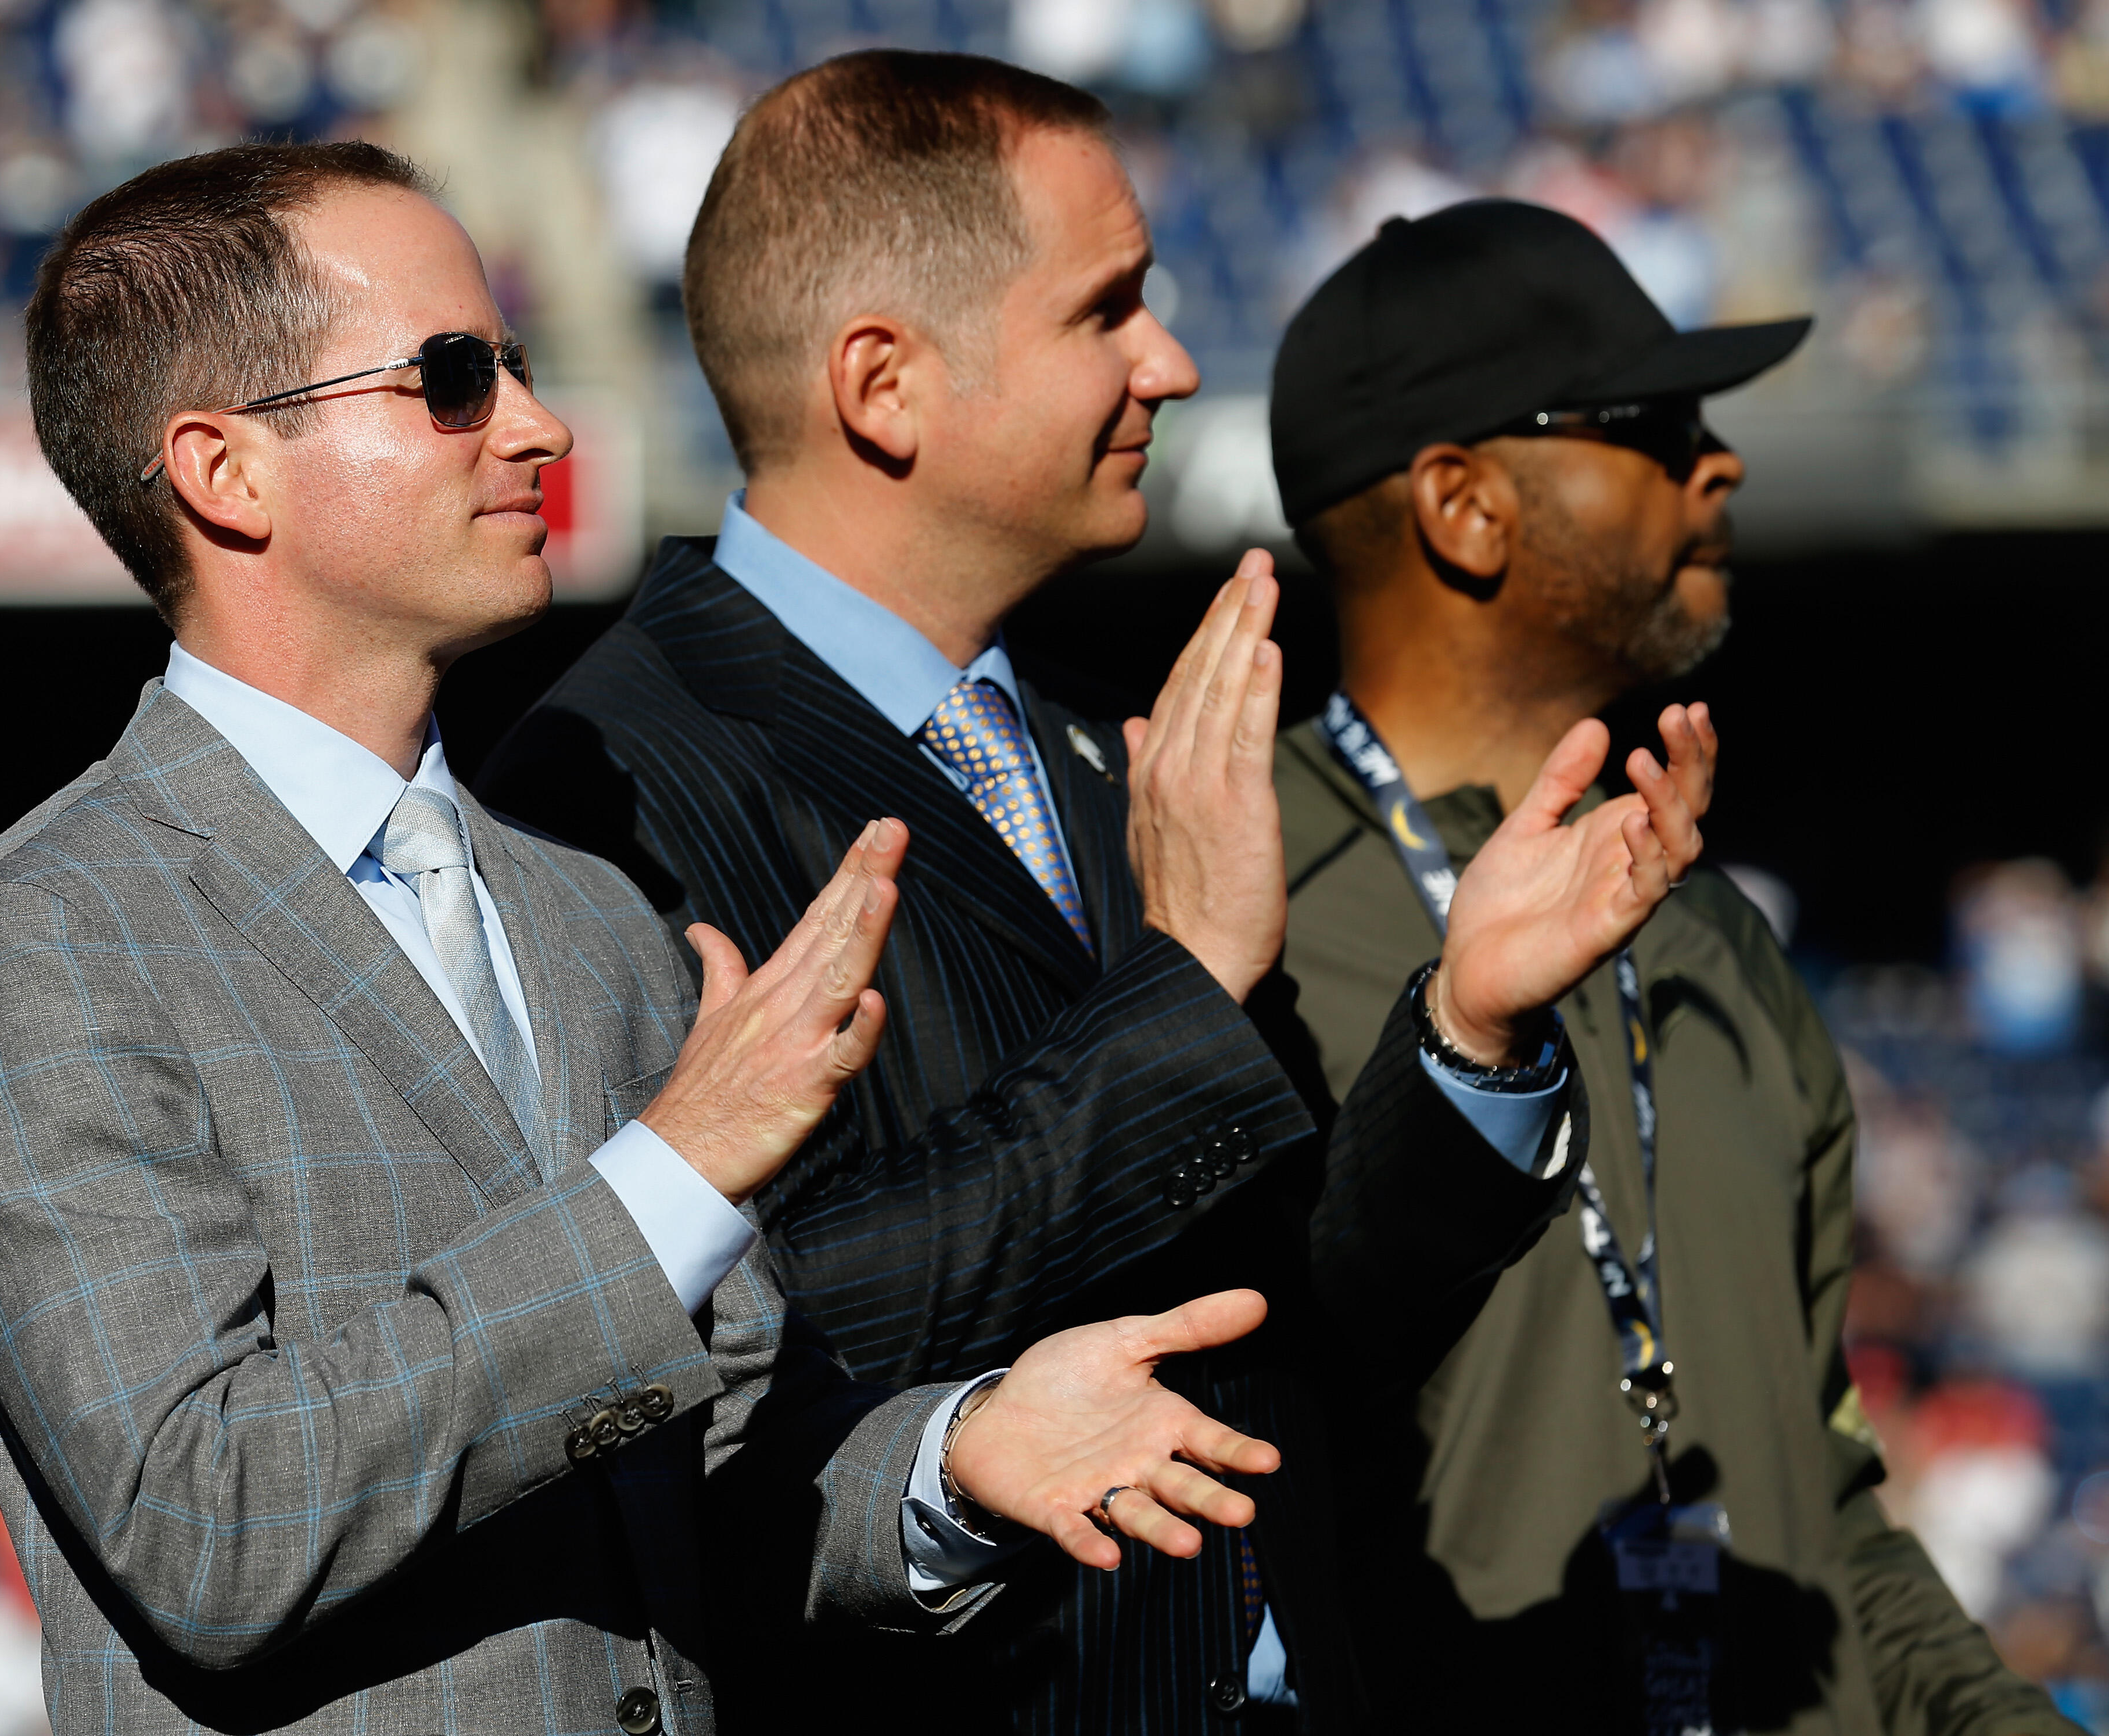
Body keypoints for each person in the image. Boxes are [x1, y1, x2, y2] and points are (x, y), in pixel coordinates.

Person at [0, 139, 1292, 1736]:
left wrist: (953, 1458)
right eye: (456, 377)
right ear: (225, 472)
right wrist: (671, 1178)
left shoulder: (586, 914)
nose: (538, 426)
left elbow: (715, 1481)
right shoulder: (49, 939)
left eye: (523, 366)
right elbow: (214, 1522)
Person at [477, 54, 1714, 1733]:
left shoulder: (1079, 741)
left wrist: (1472, 1033)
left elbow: (1280, 1303)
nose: (1174, 363)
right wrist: (1185, 985)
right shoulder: (599, 786)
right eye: (1108, 310)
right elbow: (720, 1352)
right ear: (885, 384)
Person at [1267, 199, 2079, 1736]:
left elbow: (1817, 1498)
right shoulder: (1233, 906)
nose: (1724, 462)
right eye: (1656, 423)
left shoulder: (1721, 939)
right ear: (1464, 504)